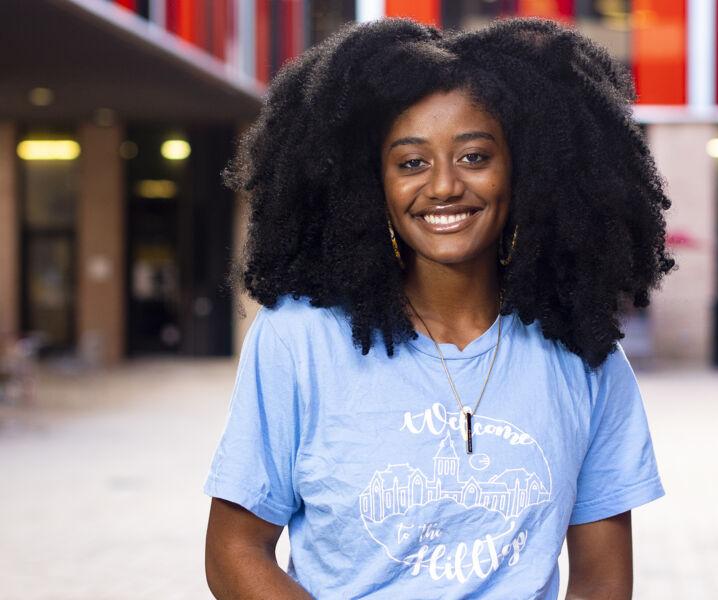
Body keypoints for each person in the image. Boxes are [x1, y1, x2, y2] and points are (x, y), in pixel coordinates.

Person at [203, 16, 674, 600]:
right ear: (369, 183)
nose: (445, 186)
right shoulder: (300, 338)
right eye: (411, 162)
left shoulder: (582, 350)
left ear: (527, 171)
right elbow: (234, 550)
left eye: (474, 157)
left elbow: (603, 581)